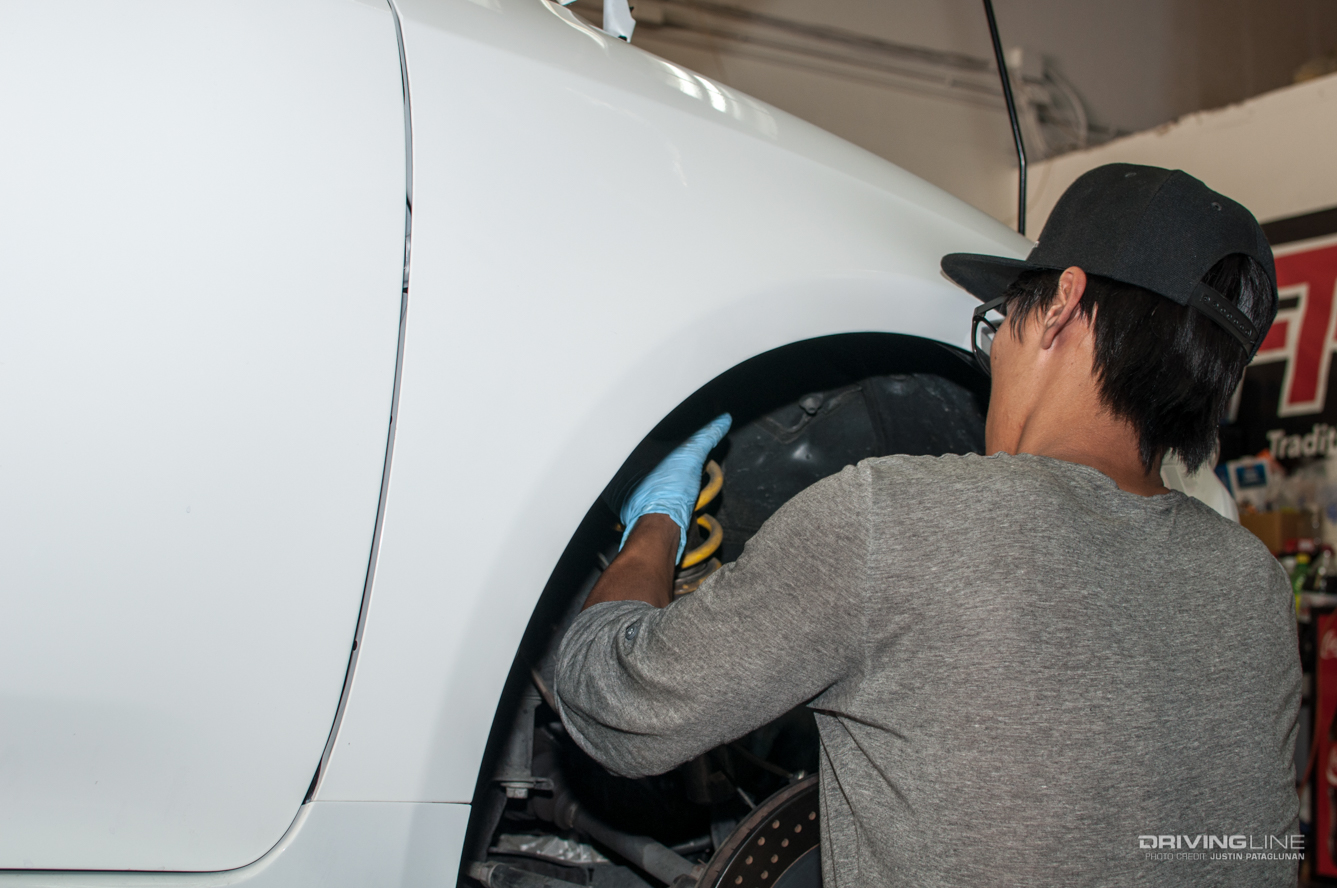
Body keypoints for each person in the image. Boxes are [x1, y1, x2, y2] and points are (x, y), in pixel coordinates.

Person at [554, 164, 1300, 886]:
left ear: (1062, 306)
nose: (996, 356)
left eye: (998, 323)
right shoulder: (1252, 587)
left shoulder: (898, 521)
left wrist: (655, 518)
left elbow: (616, 707)